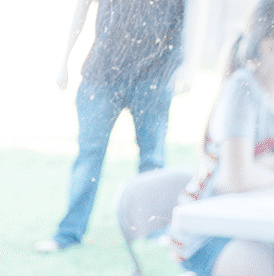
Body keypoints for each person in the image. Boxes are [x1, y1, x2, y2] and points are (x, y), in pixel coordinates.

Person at [37, 0, 205, 252]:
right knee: (88, 157)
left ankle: (155, 231)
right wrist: (65, 60)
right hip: (102, 72)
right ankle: (68, 234)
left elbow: (195, 10)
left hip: (156, 74)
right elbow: (82, 7)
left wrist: (191, 65)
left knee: (153, 159)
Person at [172, 0, 274, 276]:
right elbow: (234, 179)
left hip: (252, 225)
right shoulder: (243, 90)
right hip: (206, 235)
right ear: (270, 45)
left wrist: (262, 170)